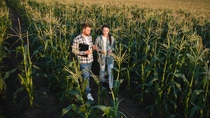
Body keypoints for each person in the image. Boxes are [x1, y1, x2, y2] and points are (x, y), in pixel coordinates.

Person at [72, 23, 96, 101]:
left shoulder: (90, 37)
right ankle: (87, 93)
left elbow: (90, 45)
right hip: (83, 61)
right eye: (88, 30)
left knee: (88, 76)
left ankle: (85, 88)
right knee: (86, 77)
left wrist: (93, 47)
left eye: (90, 30)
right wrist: (84, 53)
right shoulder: (77, 39)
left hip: (90, 60)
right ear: (83, 30)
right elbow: (74, 51)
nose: (89, 31)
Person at [95, 25, 116, 93]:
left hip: (110, 58)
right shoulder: (98, 38)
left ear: (109, 31)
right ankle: (103, 84)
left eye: (107, 31)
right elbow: (95, 46)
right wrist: (100, 50)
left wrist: (111, 50)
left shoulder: (111, 38)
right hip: (102, 57)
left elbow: (114, 47)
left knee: (110, 72)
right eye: (104, 30)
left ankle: (111, 87)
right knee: (102, 71)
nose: (105, 32)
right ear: (102, 30)